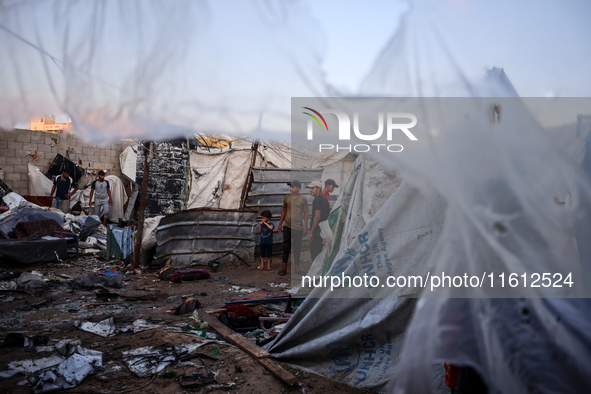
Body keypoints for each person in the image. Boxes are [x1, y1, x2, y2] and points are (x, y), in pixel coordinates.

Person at [278, 180, 308, 276]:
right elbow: (284, 211)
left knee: (297, 247)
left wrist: (305, 227)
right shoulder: (287, 198)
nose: (290, 188)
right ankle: (284, 268)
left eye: (293, 187)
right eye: (290, 187)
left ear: (298, 188)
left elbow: (306, 213)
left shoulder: (303, 199)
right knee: (286, 247)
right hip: (287, 226)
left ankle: (297, 268)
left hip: (298, 227)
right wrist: (280, 224)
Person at [308, 180, 331, 262]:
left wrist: (311, 232)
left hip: (317, 231)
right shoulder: (325, 200)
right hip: (323, 231)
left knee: (315, 254)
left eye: (312, 188)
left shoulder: (317, 200)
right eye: (310, 188)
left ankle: (315, 274)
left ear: (318, 189)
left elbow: (317, 216)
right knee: (321, 254)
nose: (310, 190)